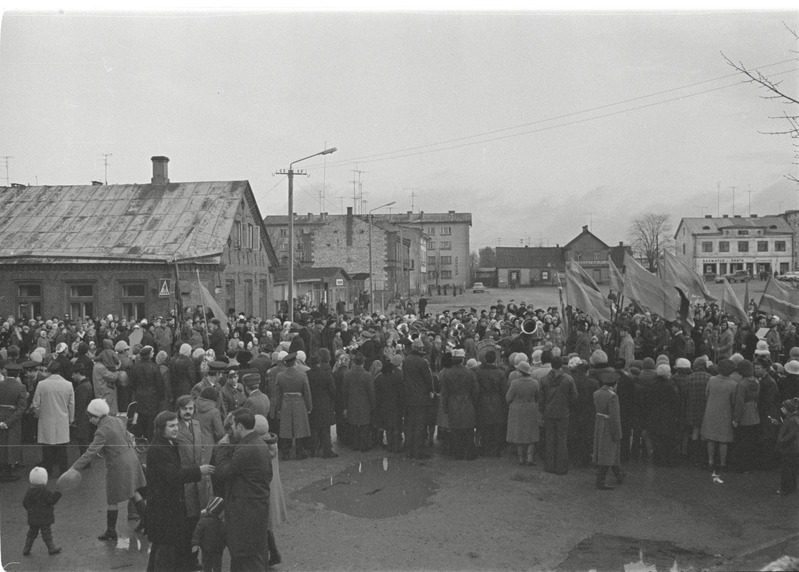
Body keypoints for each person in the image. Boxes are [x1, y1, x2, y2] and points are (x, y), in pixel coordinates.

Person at [146, 410, 215, 571]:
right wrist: (199, 471)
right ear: (161, 428)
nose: (176, 428)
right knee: (165, 549)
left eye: (176, 425)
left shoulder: (168, 444)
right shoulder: (158, 449)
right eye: (171, 426)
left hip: (168, 507)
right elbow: (173, 476)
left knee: (162, 546)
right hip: (163, 509)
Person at [70, 398, 147, 540]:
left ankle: (111, 531)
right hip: (131, 458)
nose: (89, 420)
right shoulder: (117, 420)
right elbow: (128, 436)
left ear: (96, 416)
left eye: (90, 417)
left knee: (112, 498)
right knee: (133, 490)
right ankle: (146, 520)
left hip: (118, 464)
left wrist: (74, 468)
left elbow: (90, 452)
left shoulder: (101, 431)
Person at [213, 408, 273, 571]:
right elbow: (269, 475)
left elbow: (223, 472)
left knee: (245, 560)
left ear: (239, 426)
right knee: (250, 558)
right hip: (255, 510)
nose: (230, 430)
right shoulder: (258, 443)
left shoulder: (246, 448)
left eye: (231, 426)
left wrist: (224, 447)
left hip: (245, 515)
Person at [175, 394, 211, 569]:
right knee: (187, 522)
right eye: (184, 409)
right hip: (185, 480)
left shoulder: (196, 424)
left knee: (198, 519)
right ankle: (187, 559)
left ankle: (194, 557)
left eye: (190, 408)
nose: (188, 412)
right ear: (178, 410)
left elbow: (201, 447)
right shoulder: (175, 428)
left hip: (200, 480)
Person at [32, 361, 74, 478]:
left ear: (49, 371)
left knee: (47, 448)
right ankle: (63, 472)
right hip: (62, 419)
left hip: (46, 419)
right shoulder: (68, 385)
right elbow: (71, 405)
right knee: (62, 448)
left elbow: (35, 404)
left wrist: (38, 414)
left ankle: (47, 471)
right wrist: (70, 419)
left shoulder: (41, 384)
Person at [590, 350, 625, 490]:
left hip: (599, 422)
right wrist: (618, 433)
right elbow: (615, 417)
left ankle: (619, 475)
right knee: (609, 451)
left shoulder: (597, 393)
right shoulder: (613, 397)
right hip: (609, 425)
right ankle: (601, 480)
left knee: (607, 451)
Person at [440, 348, 479, 460]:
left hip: (453, 402)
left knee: (455, 430)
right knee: (469, 429)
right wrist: (473, 402)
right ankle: (470, 453)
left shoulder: (447, 374)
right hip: (467, 402)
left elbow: (445, 392)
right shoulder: (470, 373)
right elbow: (475, 390)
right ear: (462, 360)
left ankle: (458, 453)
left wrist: (445, 406)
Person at [542, 356, 578, 474]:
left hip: (549, 412)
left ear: (551, 365)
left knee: (550, 439)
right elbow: (574, 397)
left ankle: (549, 466)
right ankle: (561, 468)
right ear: (561, 366)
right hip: (563, 412)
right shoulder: (568, 379)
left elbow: (541, 399)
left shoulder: (544, 379)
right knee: (562, 440)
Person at [701, 358, 738, 473]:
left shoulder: (711, 380)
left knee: (710, 438)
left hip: (711, 410)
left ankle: (710, 462)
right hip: (725, 412)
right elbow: (733, 401)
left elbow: (706, 394)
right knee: (723, 440)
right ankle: (722, 464)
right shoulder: (733, 384)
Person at [274, 352, 313, 460]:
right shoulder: (302, 375)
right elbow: (307, 392)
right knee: (299, 426)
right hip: (299, 401)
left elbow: (278, 394)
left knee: (286, 427)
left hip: (285, 402)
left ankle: (286, 452)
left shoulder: (280, 376)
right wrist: (309, 406)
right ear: (295, 362)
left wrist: (279, 408)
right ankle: (299, 452)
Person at [402, 338, 434, 459]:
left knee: (410, 424)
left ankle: (409, 450)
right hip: (421, 397)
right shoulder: (422, 362)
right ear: (420, 349)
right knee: (420, 425)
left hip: (409, 396)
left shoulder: (406, 361)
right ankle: (418, 451)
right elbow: (428, 379)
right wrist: (431, 391)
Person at [474, 350, 507, 458]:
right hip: (497, 400)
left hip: (483, 400)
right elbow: (504, 390)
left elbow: (475, 389)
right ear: (495, 359)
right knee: (497, 427)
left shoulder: (478, 372)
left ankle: (484, 450)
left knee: (484, 426)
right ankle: (497, 451)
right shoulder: (501, 373)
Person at [506, 361, 540, 465]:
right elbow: (537, 397)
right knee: (531, 433)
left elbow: (508, 398)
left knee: (518, 432)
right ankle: (529, 457)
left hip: (517, 408)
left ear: (520, 371)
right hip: (531, 408)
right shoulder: (535, 383)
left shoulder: (514, 383)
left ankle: (521, 458)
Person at [22, 467, 62, 556]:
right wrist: (58, 493)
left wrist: (30, 511)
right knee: (46, 533)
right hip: (45, 517)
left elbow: (25, 503)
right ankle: (51, 547)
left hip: (33, 517)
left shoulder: (29, 491)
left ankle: (27, 548)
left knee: (32, 533)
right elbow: (51, 500)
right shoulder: (44, 491)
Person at [306, 349, 338, 458]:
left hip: (312, 404)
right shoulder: (325, 374)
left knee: (314, 429)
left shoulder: (307, 375)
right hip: (325, 404)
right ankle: (327, 451)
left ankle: (313, 451)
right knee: (325, 429)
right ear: (319, 362)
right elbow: (333, 390)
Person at [343, 352, 376, 453]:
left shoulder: (347, 374)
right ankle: (364, 445)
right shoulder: (368, 375)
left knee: (353, 425)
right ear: (363, 362)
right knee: (364, 425)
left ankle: (355, 444)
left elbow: (344, 392)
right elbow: (371, 392)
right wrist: (373, 406)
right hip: (364, 403)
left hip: (351, 402)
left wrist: (345, 406)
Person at [0, 361, 28, 481]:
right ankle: (7, 471)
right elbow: (22, 408)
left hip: (1, 415)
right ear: (17, 374)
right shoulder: (20, 387)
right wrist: (8, 422)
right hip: (12, 419)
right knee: (11, 444)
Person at [191, 497, 226, 572]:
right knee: (211, 567)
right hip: (210, 551)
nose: (224, 514)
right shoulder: (206, 521)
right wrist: (195, 543)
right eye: (223, 511)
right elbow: (197, 533)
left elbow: (224, 536)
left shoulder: (219, 522)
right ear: (218, 511)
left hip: (215, 551)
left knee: (213, 567)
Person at [776, 398, 799, 495]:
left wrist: (782, 441)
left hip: (788, 448)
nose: (782, 409)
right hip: (793, 448)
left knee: (786, 469)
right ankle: (792, 487)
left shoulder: (791, 420)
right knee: (792, 468)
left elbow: (791, 434)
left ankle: (786, 488)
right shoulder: (794, 418)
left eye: (783, 408)